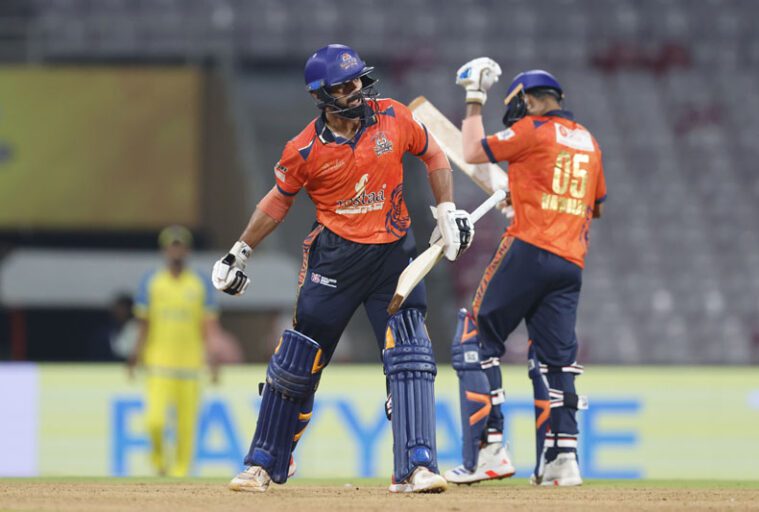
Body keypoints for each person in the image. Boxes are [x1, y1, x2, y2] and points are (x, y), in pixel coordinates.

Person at [211, 43, 475, 494]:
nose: (357, 90)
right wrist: (240, 250)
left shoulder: (393, 116)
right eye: (345, 85)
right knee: (296, 361)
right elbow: (278, 201)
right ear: (321, 94)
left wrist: (447, 209)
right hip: (334, 260)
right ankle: (263, 462)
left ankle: (416, 467)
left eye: (358, 80)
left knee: (410, 355)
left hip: (393, 256)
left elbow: (433, 155)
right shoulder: (304, 149)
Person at [445, 59, 606, 487]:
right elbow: (596, 205)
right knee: (556, 360)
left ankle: (488, 449)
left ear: (530, 102)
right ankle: (562, 460)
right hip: (571, 261)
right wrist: (525, 196)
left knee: (474, 337)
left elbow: (473, 151)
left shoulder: (533, 129)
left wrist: (474, 99)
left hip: (530, 248)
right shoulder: (589, 142)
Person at [128, 225, 221, 477]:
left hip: (190, 366)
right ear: (165, 249)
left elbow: (209, 326)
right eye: (172, 245)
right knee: (154, 422)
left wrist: (213, 358)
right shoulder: (152, 281)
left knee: (186, 429)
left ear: (187, 249)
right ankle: (159, 462)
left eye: (180, 245)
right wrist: (134, 355)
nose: (176, 250)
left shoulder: (199, 282)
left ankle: (179, 479)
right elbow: (143, 324)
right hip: (158, 363)